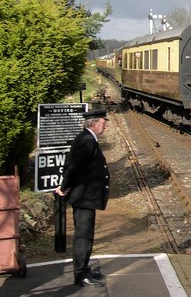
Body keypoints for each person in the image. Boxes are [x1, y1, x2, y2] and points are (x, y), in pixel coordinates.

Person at [55, 108, 111, 287]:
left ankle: (84, 269)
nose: (106, 127)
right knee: (83, 236)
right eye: (104, 123)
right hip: (84, 196)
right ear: (94, 123)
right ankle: (80, 274)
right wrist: (64, 187)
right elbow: (75, 167)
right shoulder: (87, 141)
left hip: (86, 196)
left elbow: (73, 165)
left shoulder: (87, 139)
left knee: (86, 234)